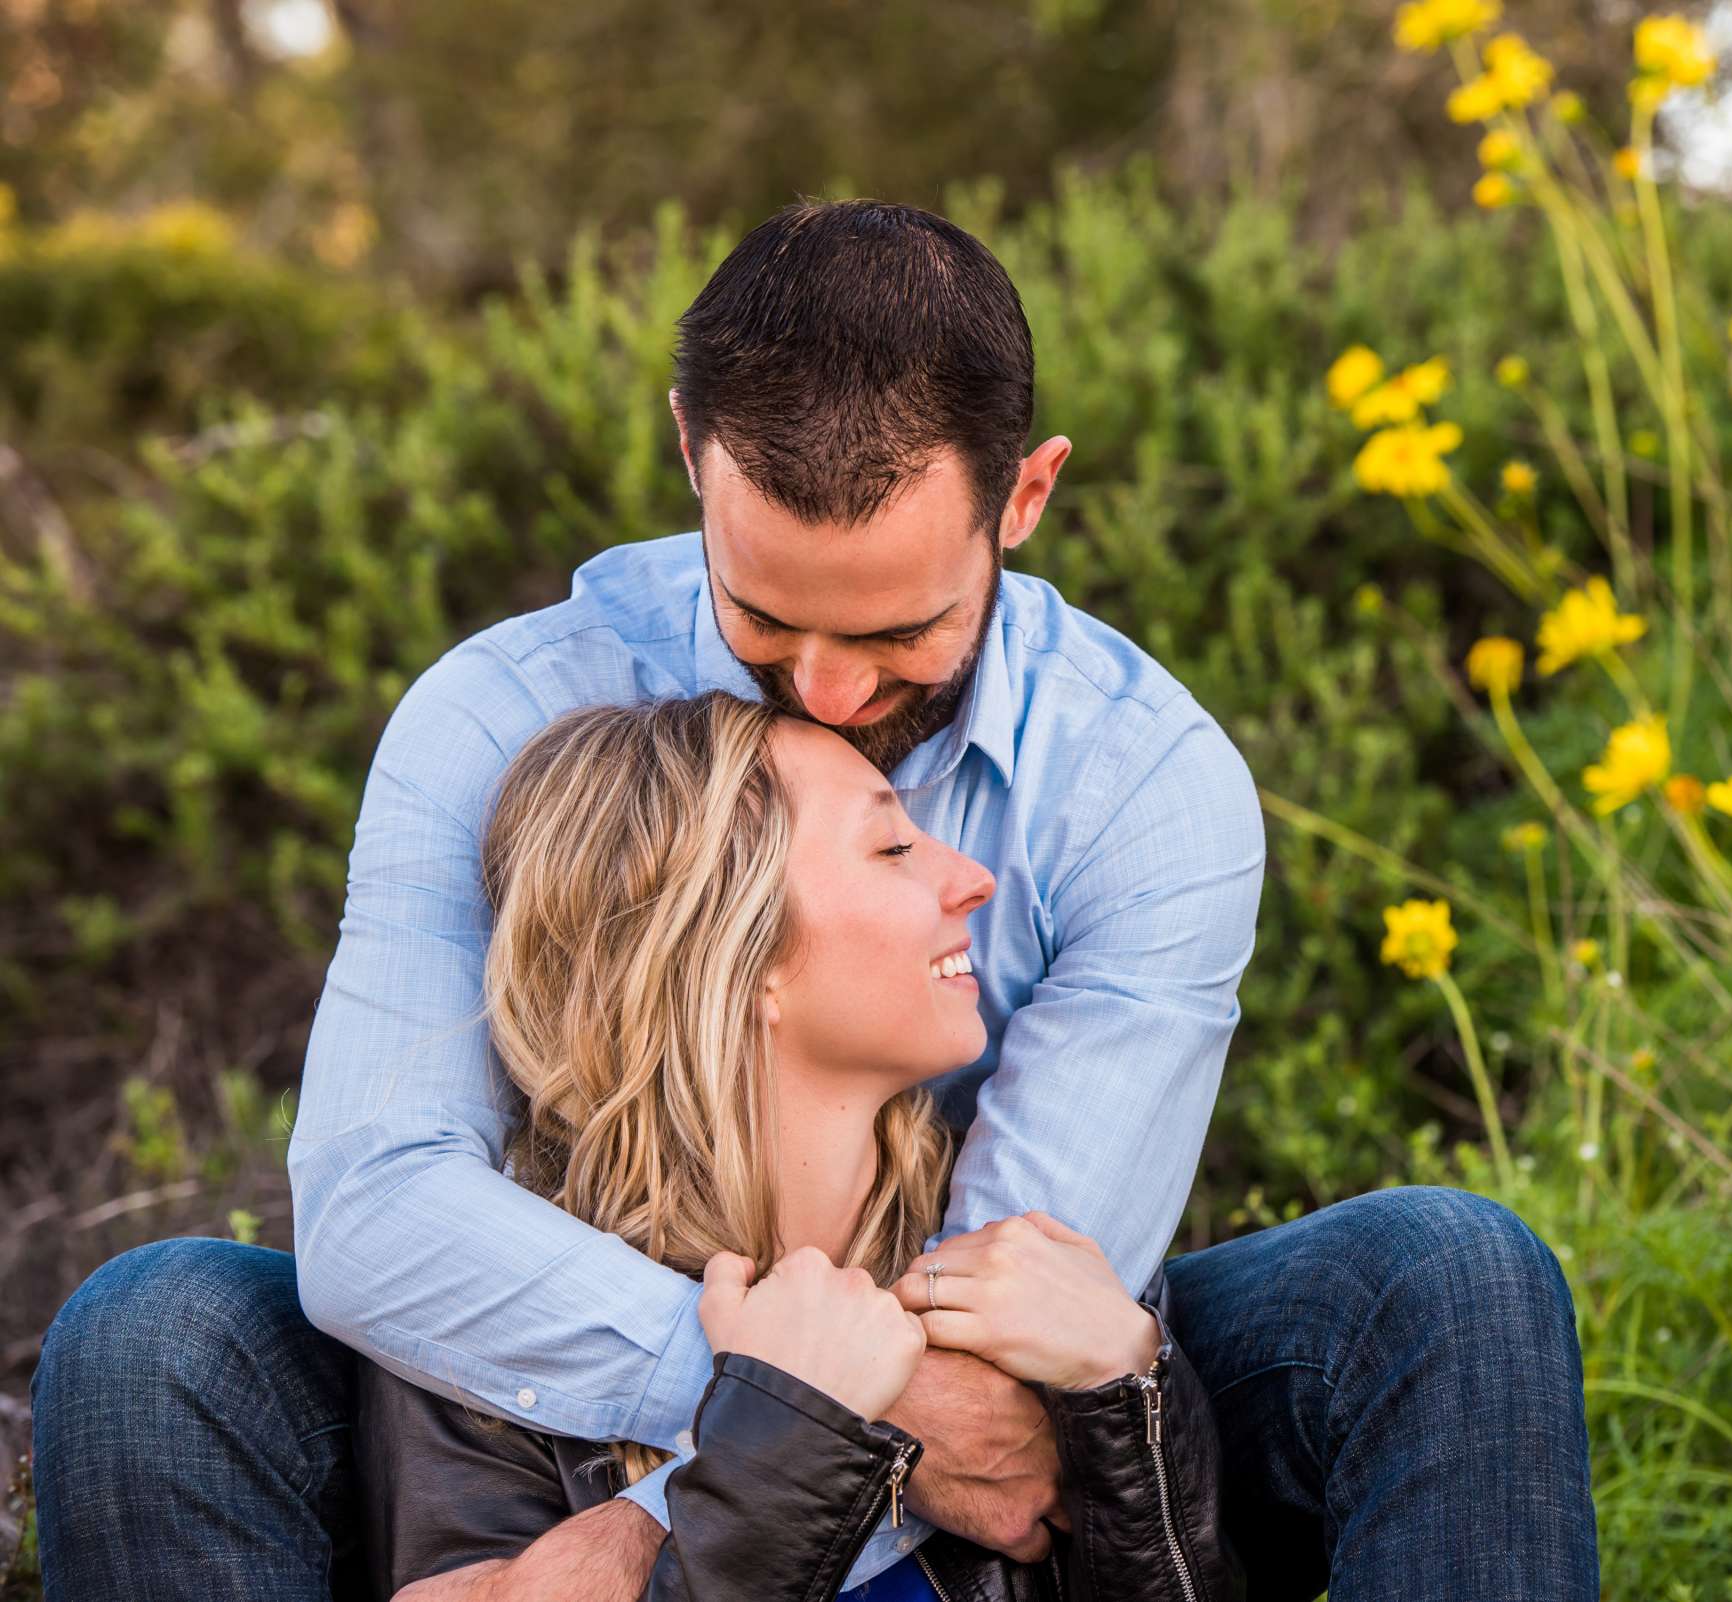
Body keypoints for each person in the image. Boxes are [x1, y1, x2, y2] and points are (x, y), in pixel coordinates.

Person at [31, 197, 1599, 1602]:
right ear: (690, 453)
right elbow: (378, 1212)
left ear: (1027, 497)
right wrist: (779, 1390)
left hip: (985, 1354)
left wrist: (675, 1525)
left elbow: (1014, 1332)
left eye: (903, 630)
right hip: (538, 1391)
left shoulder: (1143, 783)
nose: (835, 693)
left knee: (1446, 1278)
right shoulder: (497, 713)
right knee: (157, 1333)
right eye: (764, 616)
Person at [354, 694, 1237, 1601]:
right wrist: (792, 1433)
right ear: (737, 950)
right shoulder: (485, 1323)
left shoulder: (1030, 1261)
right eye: (893, 849)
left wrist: (1128, 1385)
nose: (973, 877)